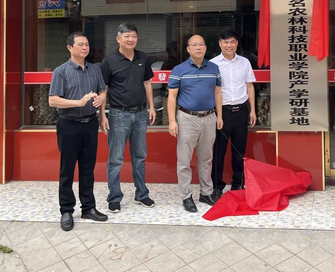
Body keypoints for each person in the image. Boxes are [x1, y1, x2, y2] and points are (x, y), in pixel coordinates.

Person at [49, 32, 108, 231]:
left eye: (87, 44)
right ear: (70, 48)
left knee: (87, 168)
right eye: (80, 44)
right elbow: (53, 100)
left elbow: (102, 91)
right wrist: (79, 102)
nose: (84, 48)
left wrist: (101, 104)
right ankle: (66, 210)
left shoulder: (95, 69)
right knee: (67, 170)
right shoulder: (61, 71)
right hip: (69, 125)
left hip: (90, 124)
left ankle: (88, 208)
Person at [101, 23, 156, 213]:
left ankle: (142, 194)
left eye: (133, 36)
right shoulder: (109, 61)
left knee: (140, 157)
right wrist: (102, 115)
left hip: (140, 114)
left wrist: (151, 107)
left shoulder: (142, 57)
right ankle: (114, 197)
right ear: (118, 39)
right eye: (127, 36)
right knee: (116, 158)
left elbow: (147, 83)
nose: (131, 39)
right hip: (118, 115)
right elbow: (103, 89)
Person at [168, 34, 224, 212]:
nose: (198, 48)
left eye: (201, 45)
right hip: (187, 118)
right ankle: (186, 196)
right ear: (188, 49)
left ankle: (206, 193)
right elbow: (172, 97)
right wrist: (172, 121)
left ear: (206, 48)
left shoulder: (214, 68)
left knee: (206, 158)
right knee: (184, 159)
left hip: (209, 117)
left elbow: (217, 93)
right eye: (194, 45)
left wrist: (219, 116)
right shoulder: (179, 69)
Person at [210, 29, 257, 197]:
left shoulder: (244, 62)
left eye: (232, 42)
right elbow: (212, 90)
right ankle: (217, 187)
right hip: (222, 113)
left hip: (241, 111)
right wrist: (218, 115)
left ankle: (238, 185)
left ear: (237, 43)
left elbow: (250, 86)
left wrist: (252, 111)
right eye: (225, 42)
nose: (229, 45)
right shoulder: (212, 64)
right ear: (220, 43)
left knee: (239, 151)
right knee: (219, 152)